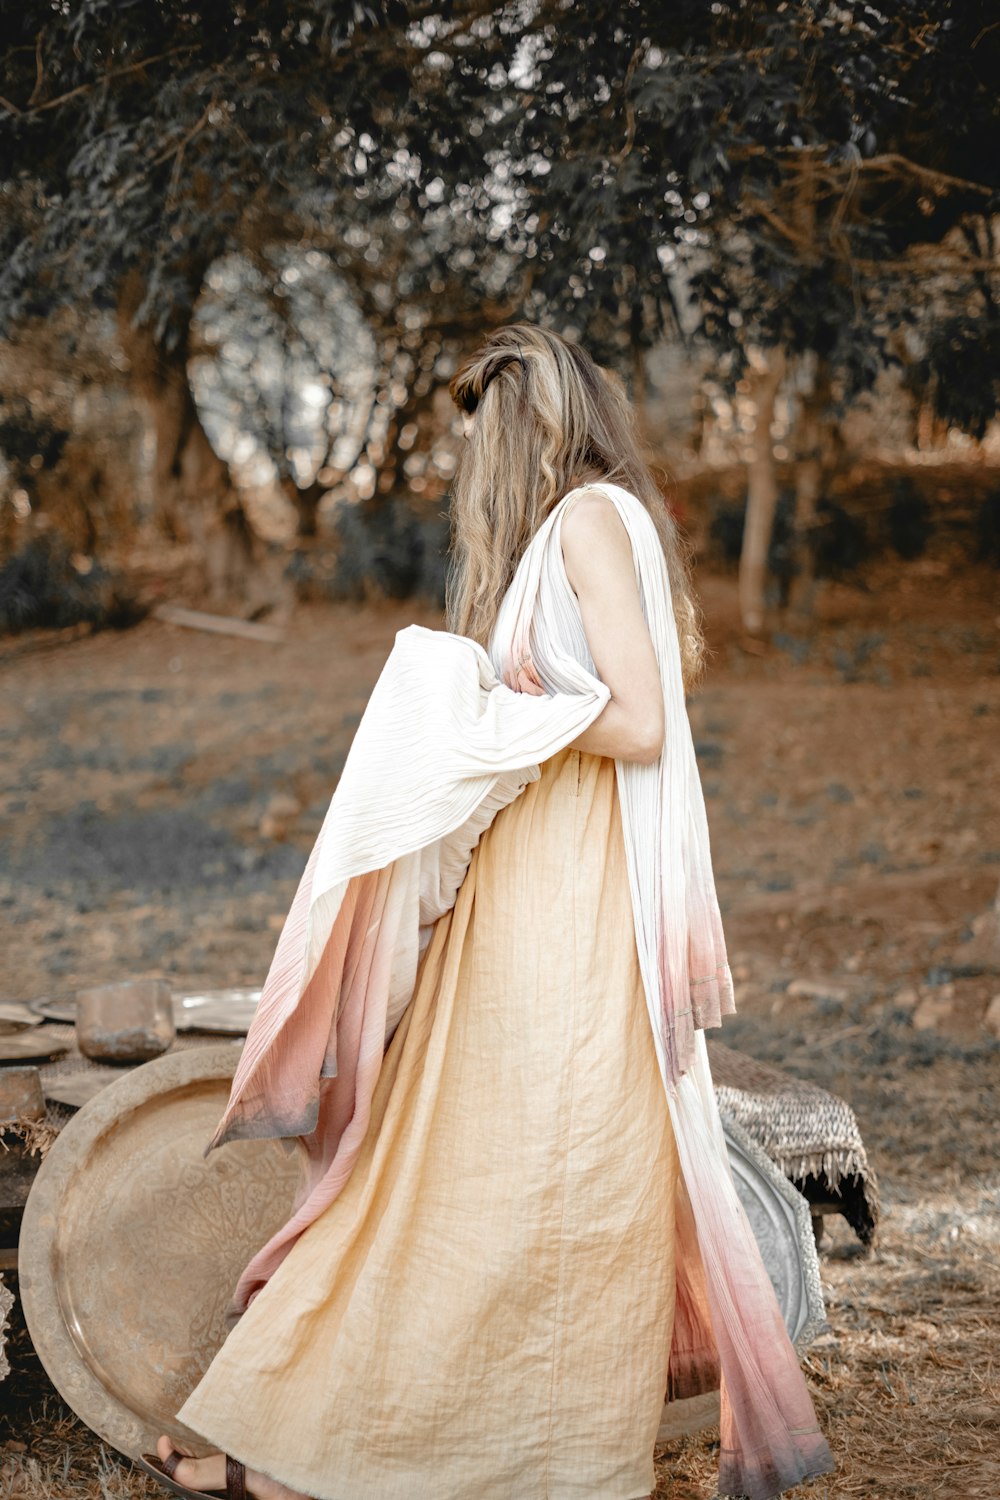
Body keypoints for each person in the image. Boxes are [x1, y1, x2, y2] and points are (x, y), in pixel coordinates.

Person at [141, 324, 832, 1500]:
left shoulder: (589, 521)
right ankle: (333, 1445)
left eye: (485, 441)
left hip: (569, 907)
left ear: (528, 429)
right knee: (449, 1174)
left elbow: (641, 723)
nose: (477, 472)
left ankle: (513, 1456)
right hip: (530, 892)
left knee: (528, 1175)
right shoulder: (572, 534)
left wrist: (482, 708)